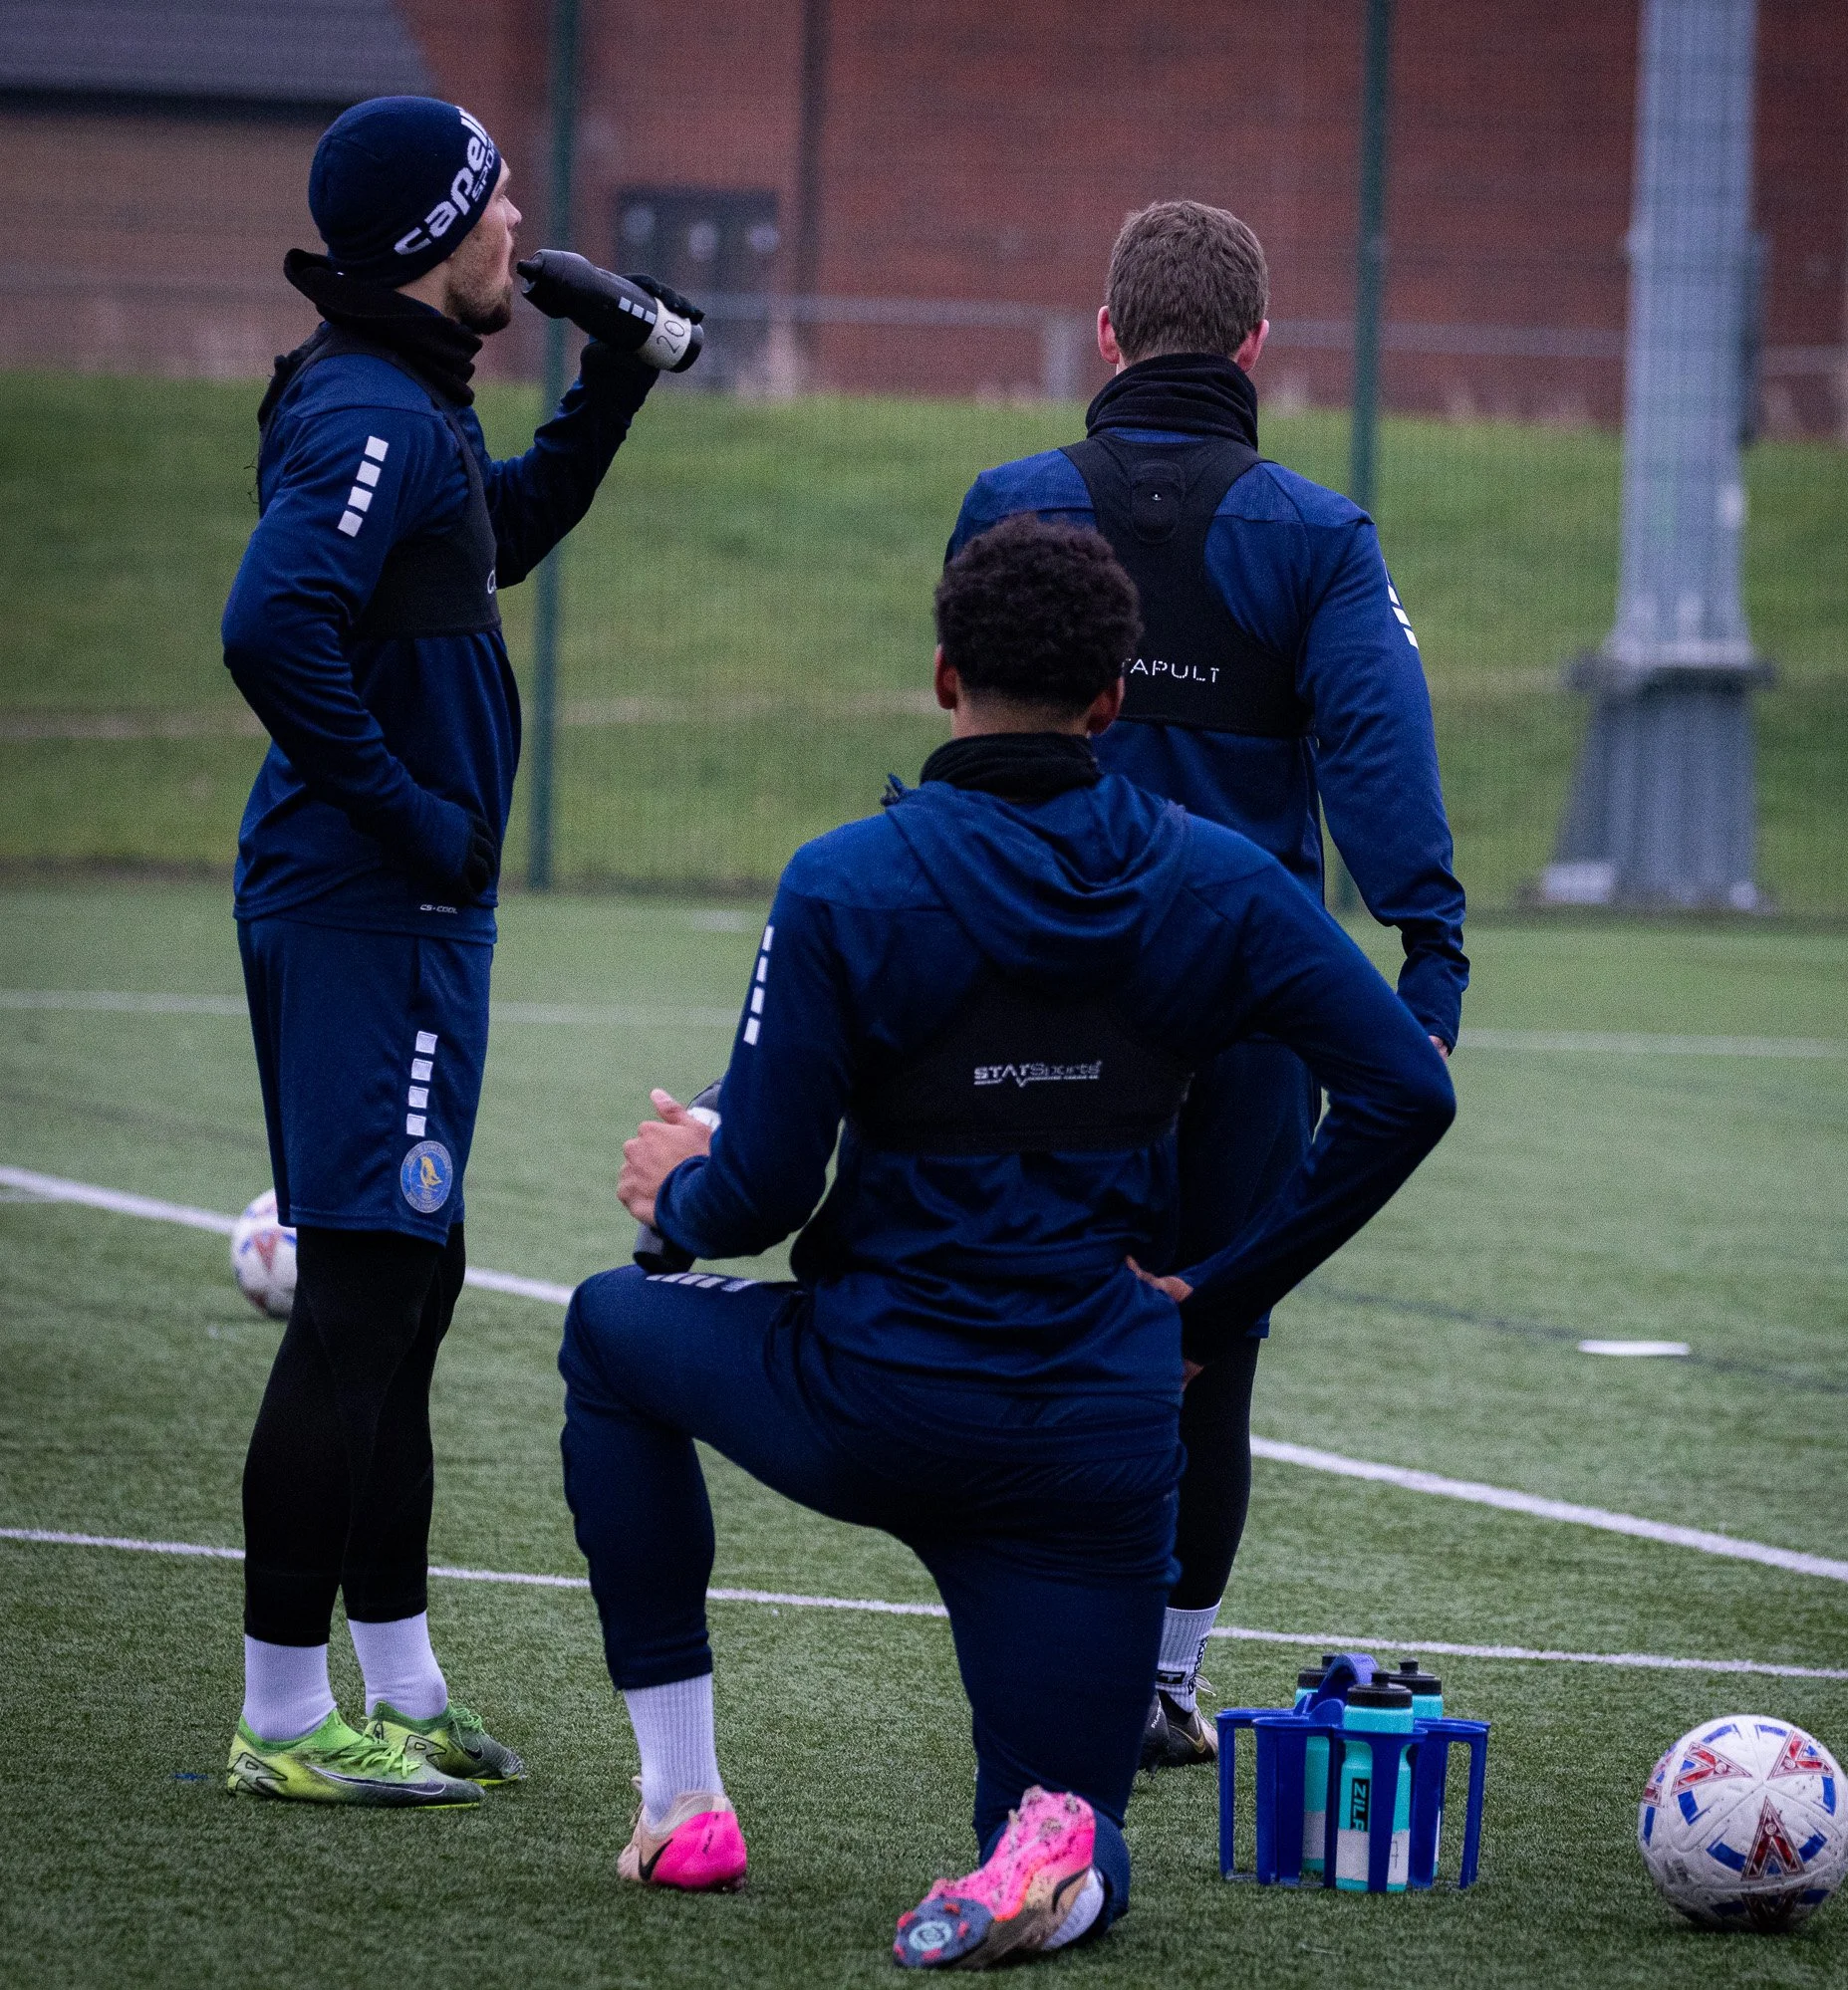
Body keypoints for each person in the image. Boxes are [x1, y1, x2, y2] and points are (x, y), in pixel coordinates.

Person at [560, 516, 1454, 1966]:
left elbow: (766, 1191)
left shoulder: (843, 879)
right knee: (1067, 1826)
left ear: (942, 675)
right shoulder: (1221, 880)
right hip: (1094, 1435)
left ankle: (684, 1801)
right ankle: (1054, 1858)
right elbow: (1409, 1090)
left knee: (609, 1332)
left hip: (868, 1393)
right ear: (1115, 700)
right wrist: (1214, 1302)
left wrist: (677, 1190)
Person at [946, 200, 1468, 1767]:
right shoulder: (1317, 536)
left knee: (1037, 1319)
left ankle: (1042, 1659)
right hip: (1237, 1020)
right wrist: (1428, 958)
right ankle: (1164, 1678)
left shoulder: (1013, 499)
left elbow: (975, 745)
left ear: (1107, 336)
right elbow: (1381, 770)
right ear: (1255, 346)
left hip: (1039, 1001)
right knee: (1203, 1342)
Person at [220, 96, 687, 1806]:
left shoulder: (409, 399)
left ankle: (400, 1680)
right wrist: (418, 816)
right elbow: (273, 625)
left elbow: (490, 538)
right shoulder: (362, 406)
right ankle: (284, 1717)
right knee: (358, 1298)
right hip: (367, 906)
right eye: (499, 214)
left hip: (397, 911)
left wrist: (613, 386)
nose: (524, 237)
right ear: (439, 233)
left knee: (404, 1291)